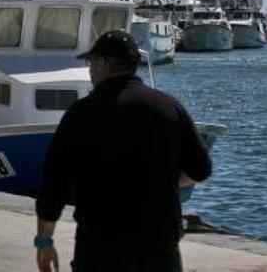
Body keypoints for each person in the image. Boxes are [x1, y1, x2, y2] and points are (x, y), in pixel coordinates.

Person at [34, 30, 212, 272]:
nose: (90, 69)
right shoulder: (169, 107)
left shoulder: (81, 113)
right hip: (159, 249)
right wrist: (164, 180)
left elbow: (54, 185)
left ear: (104, 63)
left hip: (99, 249)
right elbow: (201, 169)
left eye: (91, 62)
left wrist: (44, 241)